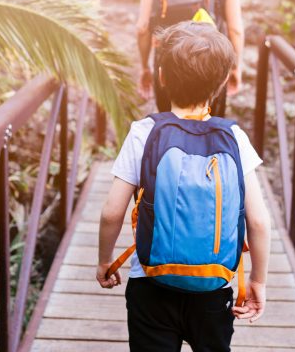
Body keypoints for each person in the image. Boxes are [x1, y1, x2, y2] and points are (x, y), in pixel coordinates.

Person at [97, 22, 271, 352]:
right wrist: (257, 280)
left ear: (161, 76)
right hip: (214, 288)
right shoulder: (234, 137)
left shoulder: (144, 131)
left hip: (150, 283)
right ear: (221, 85)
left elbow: (111, 213)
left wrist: (104, 261)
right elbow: (259, 221)